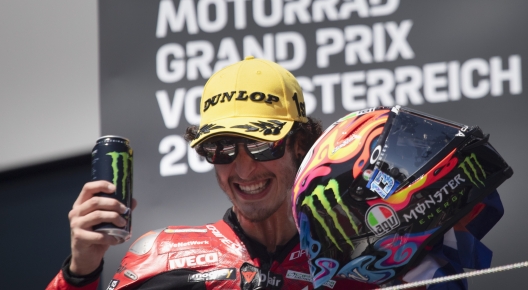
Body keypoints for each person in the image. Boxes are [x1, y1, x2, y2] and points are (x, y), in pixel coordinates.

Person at [47, 57, 504, 290]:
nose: (243, 167)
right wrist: (81, 269)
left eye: (262, 144)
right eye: (221, 148)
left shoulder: (371, 254)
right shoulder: (159, 257)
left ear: (302, 144)